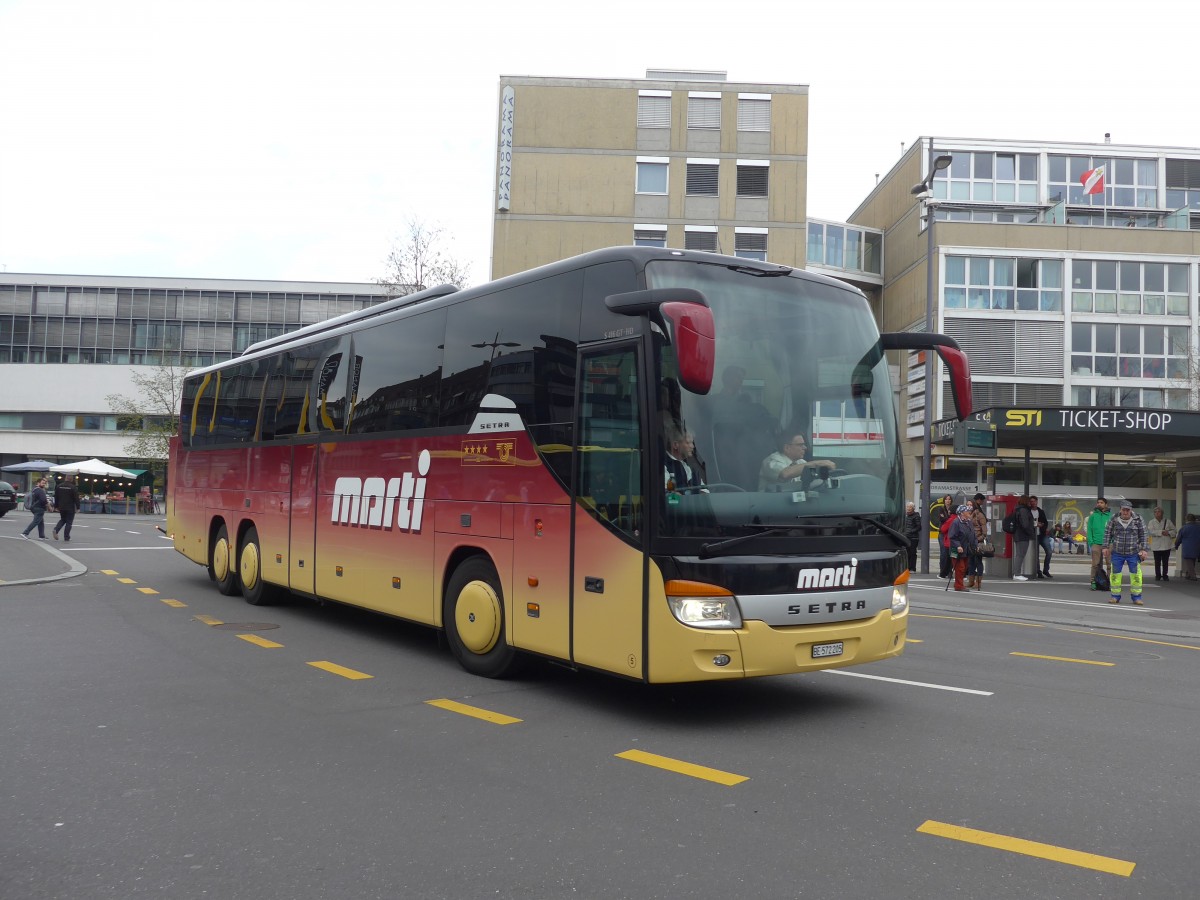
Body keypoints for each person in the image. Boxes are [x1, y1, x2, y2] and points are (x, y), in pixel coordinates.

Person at [1103, 500, 1149, 605]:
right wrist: (1105, 547)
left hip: (1133, 552)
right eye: (1123, 510)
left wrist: (1144, 549)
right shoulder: (1114, 518)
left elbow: (1144, 534)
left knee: (1136, 575)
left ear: (1131, 510)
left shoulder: (1138, 519)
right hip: (1117, 552)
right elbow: (1107, 533)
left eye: (1127, 510)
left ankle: (1137, 598)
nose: (1125, 512)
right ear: (1120, 509)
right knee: (1115, 575)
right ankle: (1115, 597)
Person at [758, 433, 835, 492]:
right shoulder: (771, 461)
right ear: (787, 448)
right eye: (800, 445)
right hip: (768, 507)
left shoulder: (800, 462)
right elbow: (785, 473)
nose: (805, 448)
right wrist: (816, 463)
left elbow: (813, 478)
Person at [947, 505, 979, 592]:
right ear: (962, 513)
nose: (969, 512)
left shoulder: (969, 522)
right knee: (959, 567)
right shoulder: (956, 522)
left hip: (966, 549)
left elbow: (973, 535)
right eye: (967, 511)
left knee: (964, 567)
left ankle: (958, 584)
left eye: (969, 510)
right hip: (956, 549)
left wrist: (976, 545)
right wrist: (958, 546)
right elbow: (952, 537)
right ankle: (959, 586)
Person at [663, 423, 703, 491]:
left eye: (692, 443)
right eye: (688, 443)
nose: (692, 446)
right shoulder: (661, 465)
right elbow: (669, 494)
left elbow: (704, 490)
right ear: (675, 445)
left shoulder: (690, 466)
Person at [1086, 498, 1112, 590]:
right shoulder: (1093, 516)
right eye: (1098, 503)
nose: (1099, 504)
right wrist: (1091, 542)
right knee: (1095, 564)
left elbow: (1114, 530)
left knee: (1109, 564)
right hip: (1096, 543)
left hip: (1108, 544)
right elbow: (1089, 530)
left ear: (1106, 504)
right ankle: (1093, 581)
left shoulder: (1110, 516)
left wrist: (1111, 541)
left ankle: (1109, 582)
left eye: (1101, 503)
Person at [1010, 495, 1037, 581]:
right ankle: (1017, 574)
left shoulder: (1018, 509)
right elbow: (1025, 525)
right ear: (1026, 502)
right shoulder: (1024, 510)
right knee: (1020, 555)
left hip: (1018, 535)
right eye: (1029, 501)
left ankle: (1016, 573)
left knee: (1019, 555)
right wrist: (1031, 532)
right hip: (1023, 536)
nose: (1030, 503)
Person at [965, 493, 988, 590]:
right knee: (970, 562)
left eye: (970, 505)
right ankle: (971, 581)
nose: (969, 507)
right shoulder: (968, 515)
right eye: (968, 505)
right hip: (970, 541)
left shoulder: (979, 515)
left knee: (978, 561)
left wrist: (980, 538)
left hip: (978, 540)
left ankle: (978, 582)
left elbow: (984, 530)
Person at [1148, 506, 1177, 581]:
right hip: (1156, 545)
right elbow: (1151, 532)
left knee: (1165, 561)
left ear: (1162, 513)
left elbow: (1174, 531)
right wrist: (1161, 532)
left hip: (1166, 545)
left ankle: (1165, 575)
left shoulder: (1168, 521)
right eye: (1156, 512)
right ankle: (1158, 575)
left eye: (1159, 512)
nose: (1157, 513)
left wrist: (1169, 532)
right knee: (1157, 561)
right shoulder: (1151, 522)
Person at [1029, 494, 1053, 579]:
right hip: (1033, 535)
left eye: (1034, 501)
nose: (1033, 503)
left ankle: (1046, 570)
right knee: (1036, 554)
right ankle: (1038, 571)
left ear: (1037, 502)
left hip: (1042, 534)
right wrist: (1034, 525)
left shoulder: (1040, 511)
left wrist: (1042, 525)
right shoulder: (1028, 511)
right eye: (1031, 501)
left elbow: (1046, 522)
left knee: (1049, 551)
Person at [52, 475, 79, 542]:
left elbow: (56, 497)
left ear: (65, 478)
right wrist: (78, 507)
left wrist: (56, 506)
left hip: (61, 506)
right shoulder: (73, 487)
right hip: (70, 507)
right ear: (72, 479)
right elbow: (76, 498)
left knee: (63, 519)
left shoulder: (59, 486)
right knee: (69, 522)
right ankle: (66, 537)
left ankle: (56, 529)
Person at [1175, 514, 1200, 581]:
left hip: (1187, 547)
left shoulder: (1184, 528)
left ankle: (1193, 576)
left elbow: (1179, 538)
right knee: (1192, 560)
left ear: (1186, 520)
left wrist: (1176, 545)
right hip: (1197, 546)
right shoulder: (1198, 527)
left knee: (1189, 561)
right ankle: (1188, 574)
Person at [903, 501, 922, 572]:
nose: (908, 508)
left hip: (913, 537)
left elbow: (919, 527)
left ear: (913, 508)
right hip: (906, 537)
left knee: (913, 553)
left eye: (910, 507)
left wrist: (911, 531)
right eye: (907, 507)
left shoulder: (916, 516)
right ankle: (907, 567)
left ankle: (912, 568)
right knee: (907, 553)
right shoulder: (905, 516)